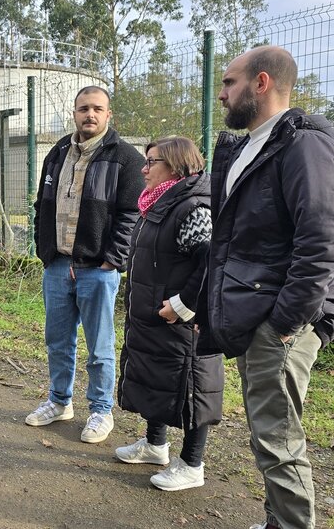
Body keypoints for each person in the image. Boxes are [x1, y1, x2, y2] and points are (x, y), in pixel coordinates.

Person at [197, 45, 334, 529]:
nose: (221, 93)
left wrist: (284, 321)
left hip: (281, 322)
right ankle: (278, 520)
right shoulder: (245, 146)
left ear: (261, 83)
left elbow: (319, 238)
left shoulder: (303, 144)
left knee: (278, 438)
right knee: (265, 432)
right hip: (254, 314)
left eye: (229, 82)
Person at [26, 85, 144, 443]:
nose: (89, 115)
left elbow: (131, 214)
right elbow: (41, 205)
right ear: (74, 113)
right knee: (57, 340)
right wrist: (43, 249)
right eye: (83, 109)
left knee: (100, 345)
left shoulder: (126, 158)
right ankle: (60, 401)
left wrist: (113, 258)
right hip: (58, 265)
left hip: (98, 269)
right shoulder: (58, 152)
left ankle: (100, 410)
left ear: (109, 115)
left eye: (97, 109)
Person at [115, 137, 223, 491]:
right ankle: (155, 444)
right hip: (153, 317)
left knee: (193, 385)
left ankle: (193, 464)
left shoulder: (193, 207)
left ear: (176, 166)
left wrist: (182, 305)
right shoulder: (157, 203)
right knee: (155, 376)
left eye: (151, 162)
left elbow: (209, 263)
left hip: (183, 322)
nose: (143, 169)